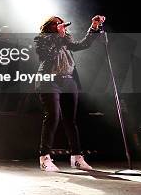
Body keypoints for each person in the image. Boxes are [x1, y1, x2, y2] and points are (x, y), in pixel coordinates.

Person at [34, 14, 105, 172]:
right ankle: (44, 157)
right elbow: (47, 56)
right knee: (53, 117)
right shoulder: (41, 39)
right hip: (49, 80)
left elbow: (83, 44)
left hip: (68, 80)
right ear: (49, 27)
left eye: (62, 24)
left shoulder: (66, 38)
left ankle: (77, 158)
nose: (61, 26)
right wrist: (58, 37)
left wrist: (93, 27)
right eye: (57, 24)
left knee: (70, 120)